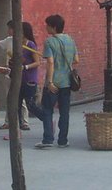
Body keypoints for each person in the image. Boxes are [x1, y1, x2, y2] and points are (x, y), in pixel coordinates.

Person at [29, 14, 79, 149]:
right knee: (64, 112)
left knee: (47, 110)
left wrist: (49, 82)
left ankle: (48, 139)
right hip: (67, 82)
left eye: (47, 25)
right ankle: (63, 140)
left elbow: (50, 62)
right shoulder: (71, 40)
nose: (46, 27)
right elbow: (76, 60)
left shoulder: (50, 42)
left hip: (54, 82)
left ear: (54, 27)